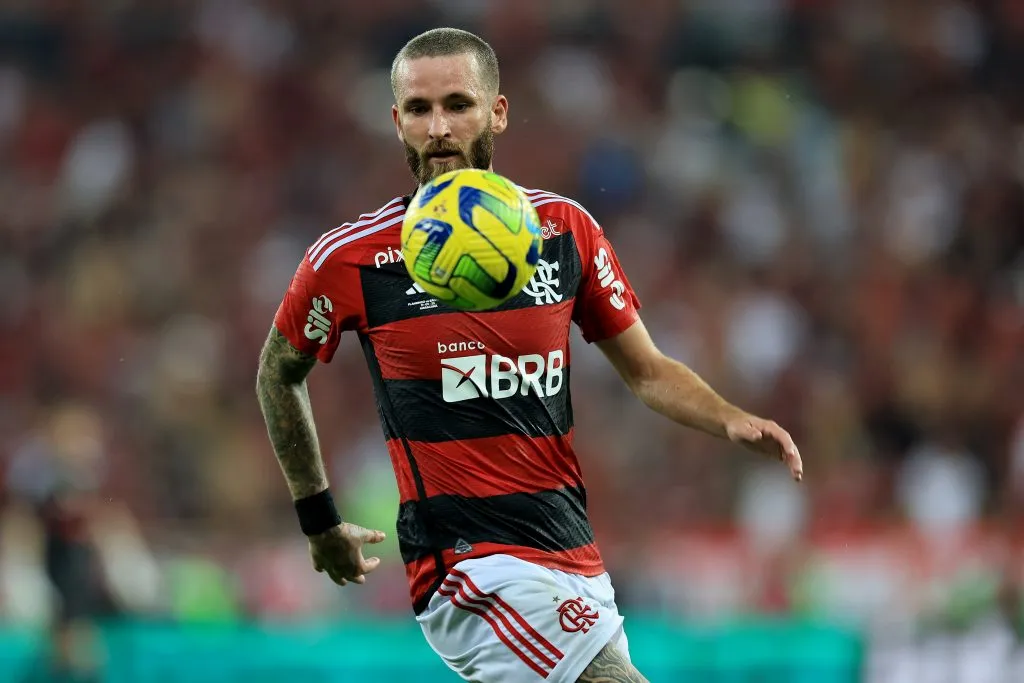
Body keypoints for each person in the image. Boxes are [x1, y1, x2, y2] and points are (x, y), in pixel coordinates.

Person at [257, 27, 803, 683]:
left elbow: (648, 369)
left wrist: (728, 418)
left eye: (458, 104)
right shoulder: (351, 256)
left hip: (571, 557)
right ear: (397, 122)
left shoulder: (564, 230)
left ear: (497, 112)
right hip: (464, 567)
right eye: (421, 110)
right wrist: (318, 520)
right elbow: (277, 375)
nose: (439, 128)